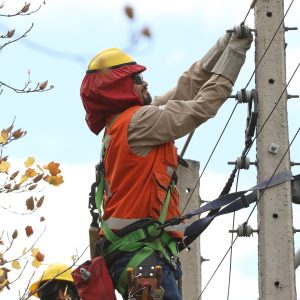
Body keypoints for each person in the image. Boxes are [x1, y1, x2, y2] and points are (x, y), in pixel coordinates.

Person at [80, 29, 253, 299]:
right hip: (144, 259)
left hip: (140, 257)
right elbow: (201, 106)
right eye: (137, 79)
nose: (145, 83)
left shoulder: (122, 125)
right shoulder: (139, 122)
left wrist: (222, 47)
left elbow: (185, 88)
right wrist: (236, 53)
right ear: (119, 88)